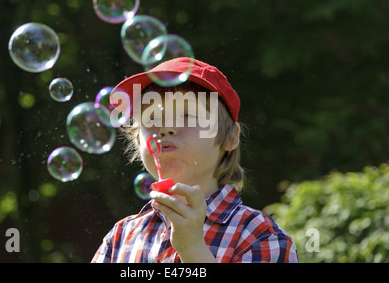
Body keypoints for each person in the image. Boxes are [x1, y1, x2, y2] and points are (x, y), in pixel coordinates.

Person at [91, 57, 298, 263]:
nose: (165, 128)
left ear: (230, 137)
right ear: (138, 140)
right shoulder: (120, 237)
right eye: (151, 118)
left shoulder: (259, 237)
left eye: (187, 115)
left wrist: (192, 249)